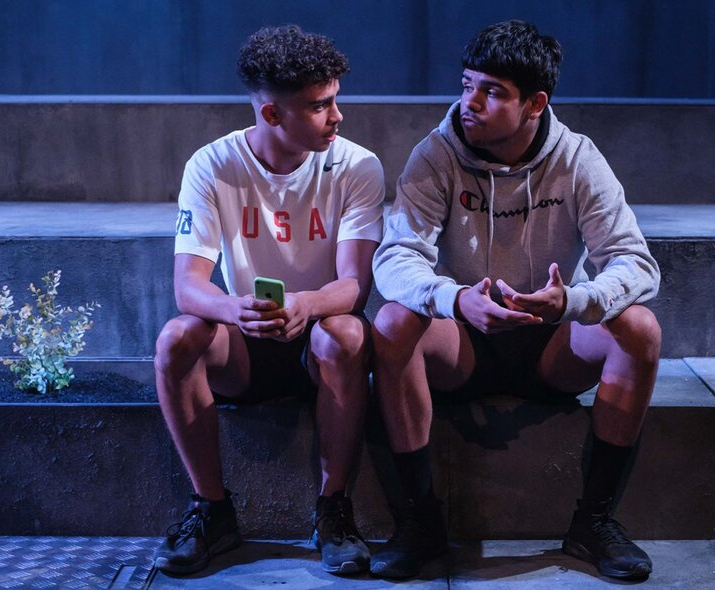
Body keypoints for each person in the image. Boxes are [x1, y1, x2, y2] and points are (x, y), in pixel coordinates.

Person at [370, 20, 661, 581]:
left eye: (492, 91)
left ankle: (593, 523)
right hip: (465, 344)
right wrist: (455, 299)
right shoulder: (436, 154)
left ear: (535, 104)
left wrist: (574, 301)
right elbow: (395, 258)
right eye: (466, 84)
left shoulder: (577, 157)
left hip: (553, 344)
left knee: (641, 329)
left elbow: (635, 262)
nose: (469, 102)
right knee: (391, 321)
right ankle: (420, 522)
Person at [152, 25, 384, 576]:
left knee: (349, 330)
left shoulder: (357, 166)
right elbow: (189, 287)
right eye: (320, 105)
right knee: (177, 338)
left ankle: (333, 511)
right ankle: (212, 510)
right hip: (243, 344)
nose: (337, 116)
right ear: (273, 115)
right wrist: (237, 310)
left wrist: (305, 305)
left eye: (335, 100)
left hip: (318, 343)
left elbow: (355, 286)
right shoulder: (212, 165)